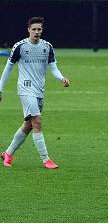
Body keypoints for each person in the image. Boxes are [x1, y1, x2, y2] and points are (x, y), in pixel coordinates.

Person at [0, 16, 70, 169]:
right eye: (34, 30)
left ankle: (8, 153)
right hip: (25, 88)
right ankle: (46, 160)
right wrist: (0, 89)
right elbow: (8, 68)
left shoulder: (47, 47)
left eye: (39, 29)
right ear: (28, 30)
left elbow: (53, 68)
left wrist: (62, 78)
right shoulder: (20, 46)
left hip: (39, 90)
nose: (37, 32)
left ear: (42, 30)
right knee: (37, 121)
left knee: (28, 125)